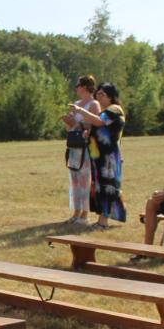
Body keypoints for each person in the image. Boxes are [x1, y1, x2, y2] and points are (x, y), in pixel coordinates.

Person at [83, 83, 127, 230]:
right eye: (98, 93)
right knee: (100, 187)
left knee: (108, 187)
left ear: (110, 95)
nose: (98, 96)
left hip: (109, 158)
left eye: (102, 93)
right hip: (99, 157)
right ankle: (101, 220)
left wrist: (81, 111)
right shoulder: (104, 111)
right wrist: (89, 134)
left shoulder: (114, 109)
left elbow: (100, 122)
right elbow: (99, 128)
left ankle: (103, 222)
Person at [61, 75, 97, 225]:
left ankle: (85, 214)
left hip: (86, 146)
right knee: (74, 179)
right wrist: (68, 121)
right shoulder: (75, 104)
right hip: (73, 144)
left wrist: (78, 124)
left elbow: (95, 124)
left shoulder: (94, 104)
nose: (76, 88)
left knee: (85, 179)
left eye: (78, 85)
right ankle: (76, 212)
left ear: (85, 87)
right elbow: (68, 128)